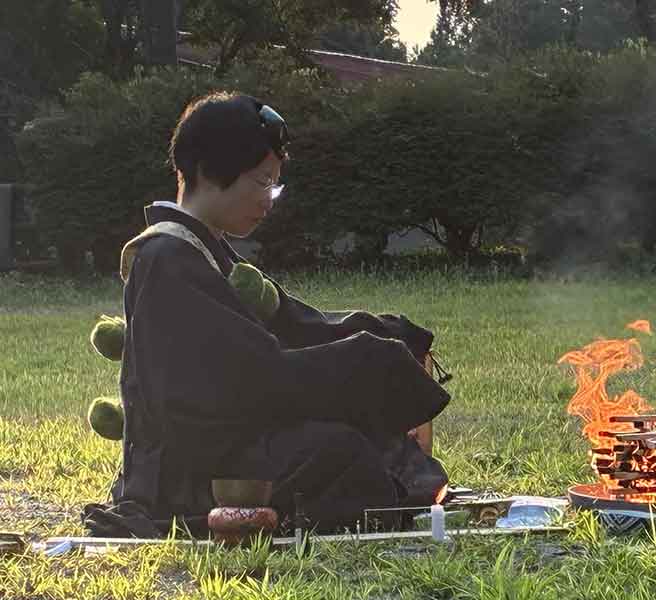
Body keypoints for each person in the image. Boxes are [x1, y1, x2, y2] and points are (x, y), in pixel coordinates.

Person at [82, 92, 451, 538]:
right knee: (342, 451)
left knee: (353, 444)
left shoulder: (208, 252)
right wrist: (366, 362)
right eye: (261, 182)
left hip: (222, 442)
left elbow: (295, 323)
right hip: (186, 471)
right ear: (206, 172)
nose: (269, 200)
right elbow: (254, 373)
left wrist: (387, 337)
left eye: (275, 184)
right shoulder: (167, 258)